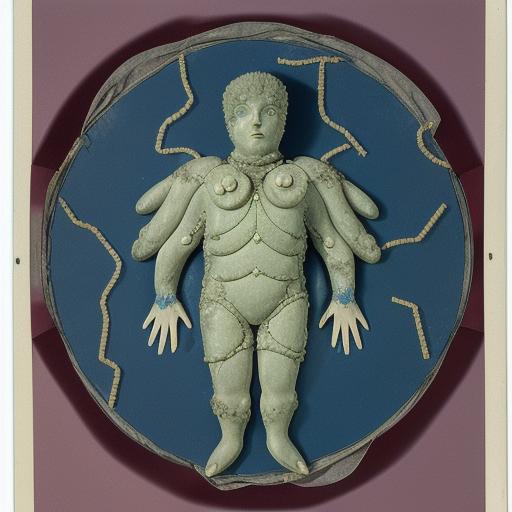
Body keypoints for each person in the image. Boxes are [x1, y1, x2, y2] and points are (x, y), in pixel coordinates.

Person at [132, 72, 381, 477]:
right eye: (242, 113)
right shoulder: (209, 183)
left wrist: (344, 295)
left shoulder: (303, 182)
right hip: (221, 301)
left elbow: (332, 240)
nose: (257, 122)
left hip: (287, 300)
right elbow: (177, 242)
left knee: (281, 389)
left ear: (283, 121)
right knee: (228, 389)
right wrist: (164, 295)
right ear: (229, 124)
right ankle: (230, 437)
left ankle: (278, 436)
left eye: (270, 112)